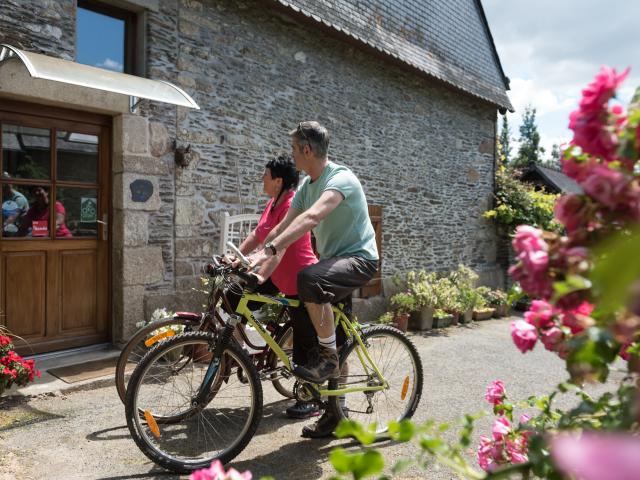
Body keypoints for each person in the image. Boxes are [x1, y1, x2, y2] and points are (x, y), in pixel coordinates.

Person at [248, 121, 379, 437]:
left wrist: (274, 246)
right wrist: (259, 256)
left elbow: (312, 218)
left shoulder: (340, 179)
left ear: (306, 149)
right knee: (338, 336)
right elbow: (283, 227)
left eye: (294, 149)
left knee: (308, 279)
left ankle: (328, 358)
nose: (292, 156)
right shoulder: (306, 186)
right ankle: (337, 416)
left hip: (360, 260)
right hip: (334, 264)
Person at [225, 153, 322, 419]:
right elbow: (258, 234)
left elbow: (279, 242)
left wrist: (259, 273)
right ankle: (240, 351)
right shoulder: (272, 203)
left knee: (306, 341)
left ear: (278, 181)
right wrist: (235, 257)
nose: (262, 179)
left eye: (265, 175)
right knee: (233, 294)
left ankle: (311, 398)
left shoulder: (293, 203)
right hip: (275, 276)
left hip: (299, 278)